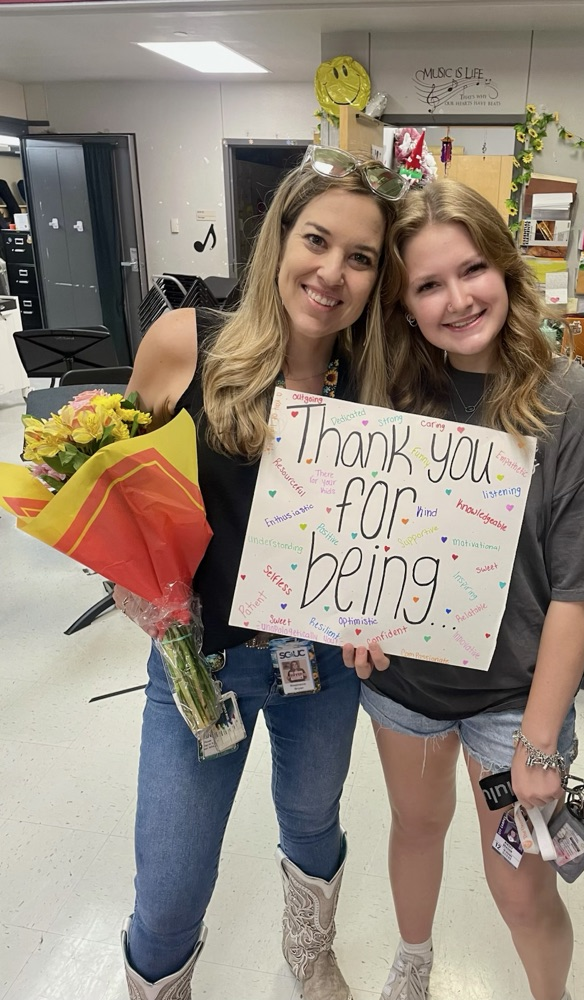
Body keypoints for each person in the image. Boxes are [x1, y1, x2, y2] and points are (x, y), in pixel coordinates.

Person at [344, 180, 584, 1000]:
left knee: (521, 887)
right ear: (403, 304)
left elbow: (580, 593)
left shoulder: (571, 403)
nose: (457, 299)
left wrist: (539, 747)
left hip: (516, 698)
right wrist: (353, 607)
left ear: (506, 270)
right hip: (406, 682)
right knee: (415, 827)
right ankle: (412, 961)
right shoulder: (393, 396)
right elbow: (366, 535)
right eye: (428, 284)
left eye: (472, 269)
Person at [117, 146, 406, 1000]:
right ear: (279, 237)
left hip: (325, 667)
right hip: (202, 663)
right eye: (317, 240)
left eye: (361, 257)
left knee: (314, 824)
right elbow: (111, 480)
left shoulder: (378, 387)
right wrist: (125, 582)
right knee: (170, 883)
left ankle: (310, 954)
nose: (333, 272)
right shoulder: (185, 342)